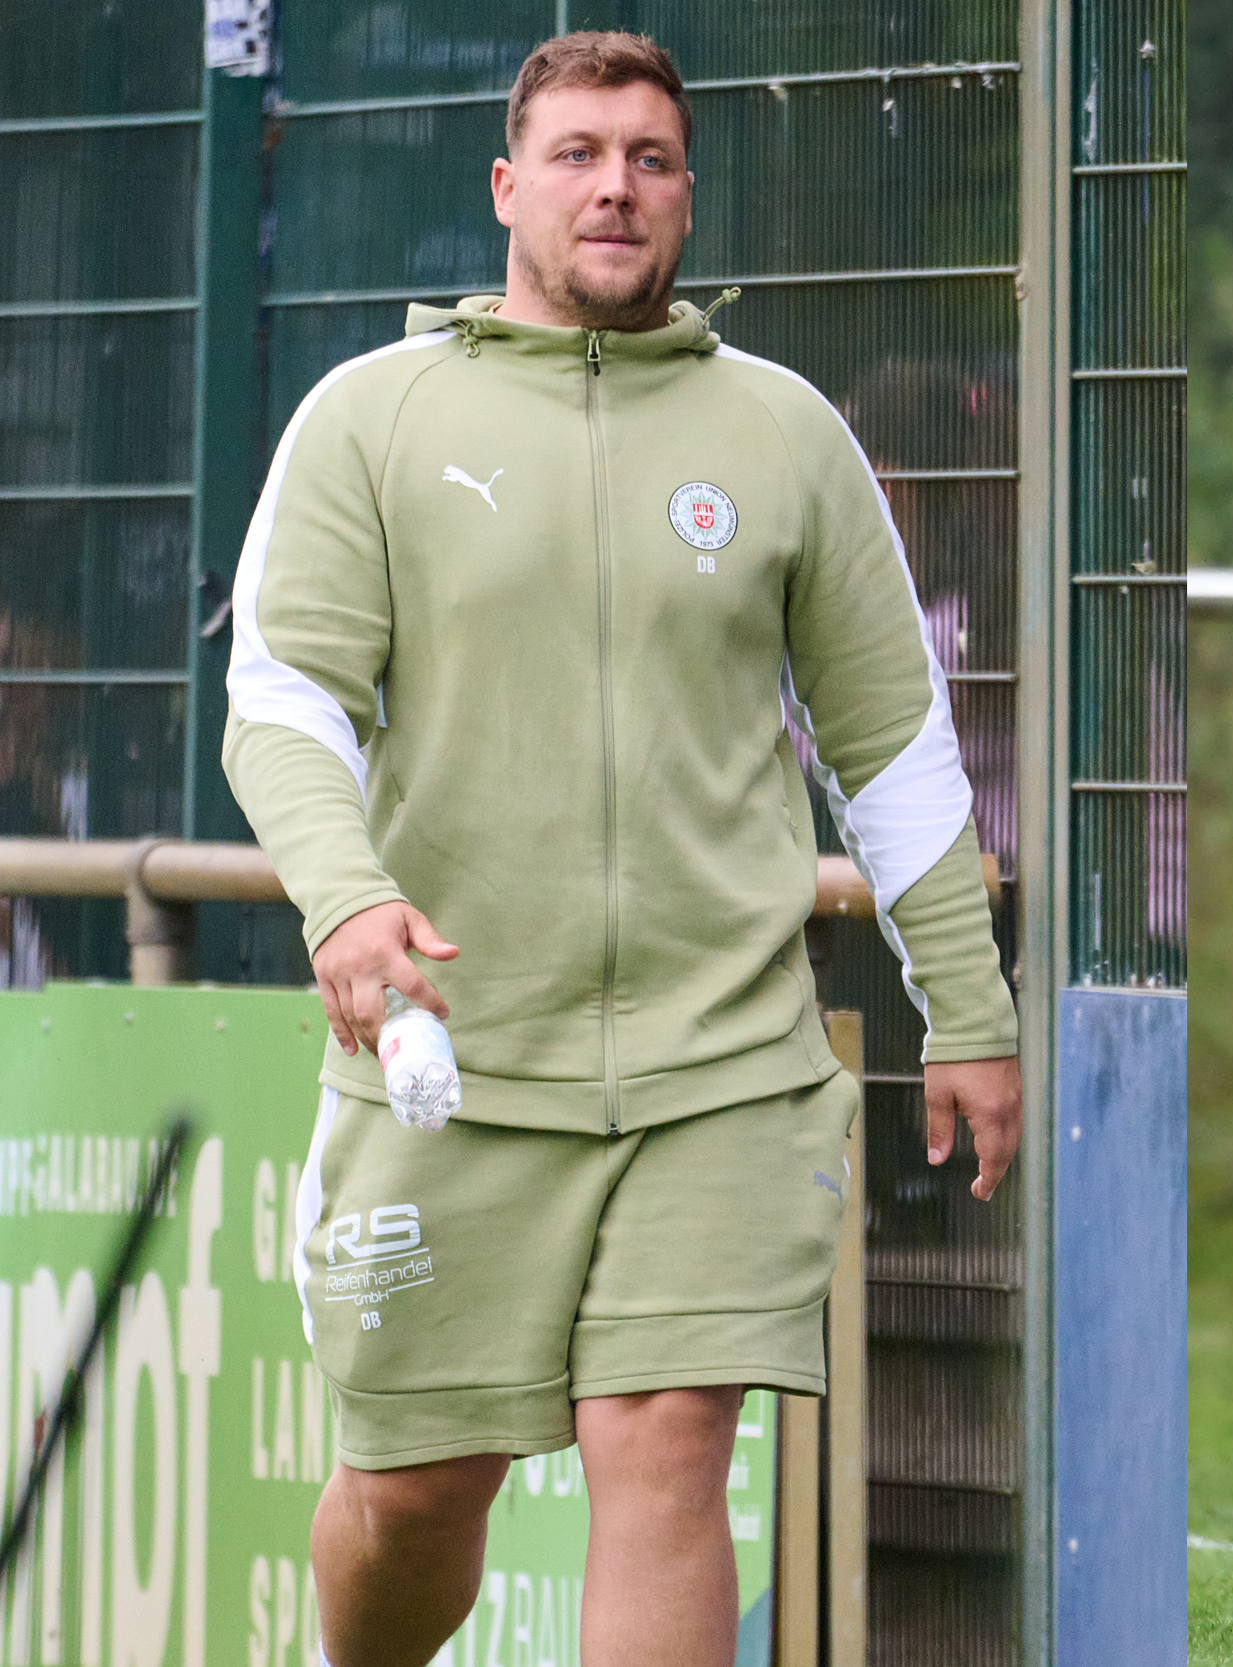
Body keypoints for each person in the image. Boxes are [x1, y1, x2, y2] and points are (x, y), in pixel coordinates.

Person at [221, 32, 1022, 1666]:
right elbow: (281, 698)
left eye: (651, 158)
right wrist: (348, 897)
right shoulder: (371, 418)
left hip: (722, 1053)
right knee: (416, 1491)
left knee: (666, 1443)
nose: (617, 185)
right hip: (454, 1052)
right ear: (509, 189)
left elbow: (898, 749)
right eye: (580, 154)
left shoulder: (786, 435)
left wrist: (974, 1009)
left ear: (687, 197)